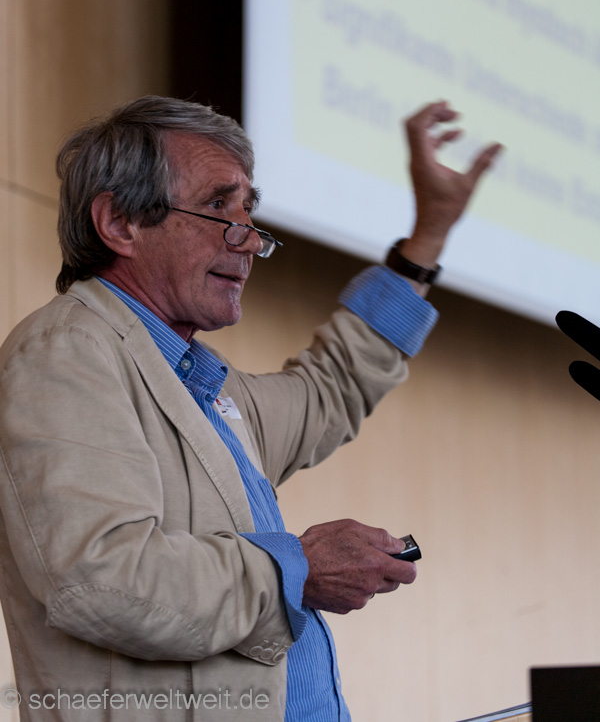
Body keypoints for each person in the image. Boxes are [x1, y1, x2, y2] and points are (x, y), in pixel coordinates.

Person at [0, 95, 501, 721]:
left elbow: (332, 386)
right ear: (120, 224)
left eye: (250, 211)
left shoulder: (200, 383)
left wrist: (428, 236)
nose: (250, 240)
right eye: (219, 206)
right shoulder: (66, 353)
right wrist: (298, 570)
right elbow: (100, 580)